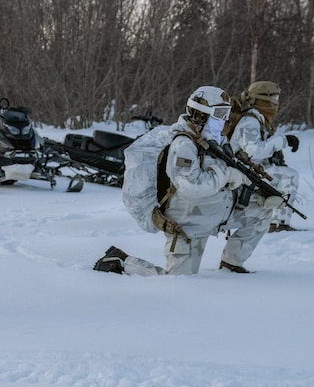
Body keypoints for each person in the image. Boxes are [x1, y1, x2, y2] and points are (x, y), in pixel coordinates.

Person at [95, 85, 260, 276]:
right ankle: (122, 261)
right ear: (202, 114)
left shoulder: (214, 141)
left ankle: (231, 266)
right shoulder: (184, 144)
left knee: (260, 212)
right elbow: (191, 185)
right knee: (176, 281)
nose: (225, 119)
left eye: (227, 113)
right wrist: (227, 175)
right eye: (220, 112)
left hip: (205, 219)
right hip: (185, 224)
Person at [229, 80, 300, 234]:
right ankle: (277, 224)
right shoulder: (249, 122)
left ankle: (274, 220)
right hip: (241, 175)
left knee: (283, 173)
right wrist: (283, 141)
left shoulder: (259, 120)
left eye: (277, 99)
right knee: (289, 176)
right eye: (273, 99)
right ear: (261, 101)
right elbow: (254, 151)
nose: (277, 103)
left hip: (252, 171)